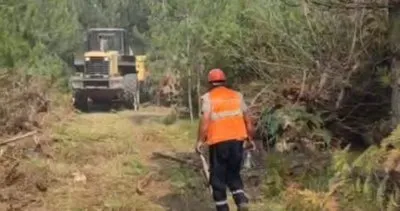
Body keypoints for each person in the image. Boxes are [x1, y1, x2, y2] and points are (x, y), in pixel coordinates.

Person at [195, 68, 256, 211]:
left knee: (217, 176)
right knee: (233, 173)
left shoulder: (208, 98)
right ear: (225, 81)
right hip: (237, 141)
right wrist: (250, 138)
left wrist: (199, 141)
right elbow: (248, 120)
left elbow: (205, 122)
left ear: (210, 82)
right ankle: (241, 201)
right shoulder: (237, 96)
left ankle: (223, 208)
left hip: (218, 141)